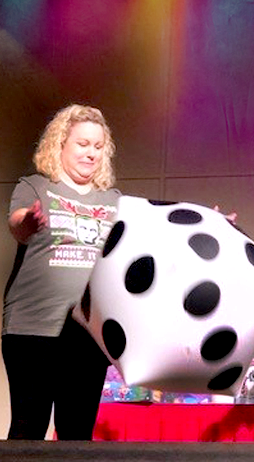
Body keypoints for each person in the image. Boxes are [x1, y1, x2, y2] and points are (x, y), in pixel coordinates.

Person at [2, 104, 121, 440]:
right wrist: (28, 220)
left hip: (86, 333)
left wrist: (207, 221)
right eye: (83, 144)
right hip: (33, 328)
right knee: (29, 426)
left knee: (77, 433)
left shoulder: (112, 200)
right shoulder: (36, 186)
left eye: (98, 147)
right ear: (60, 145)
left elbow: (149, 233)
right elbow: (18, 226)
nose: (91, 153)